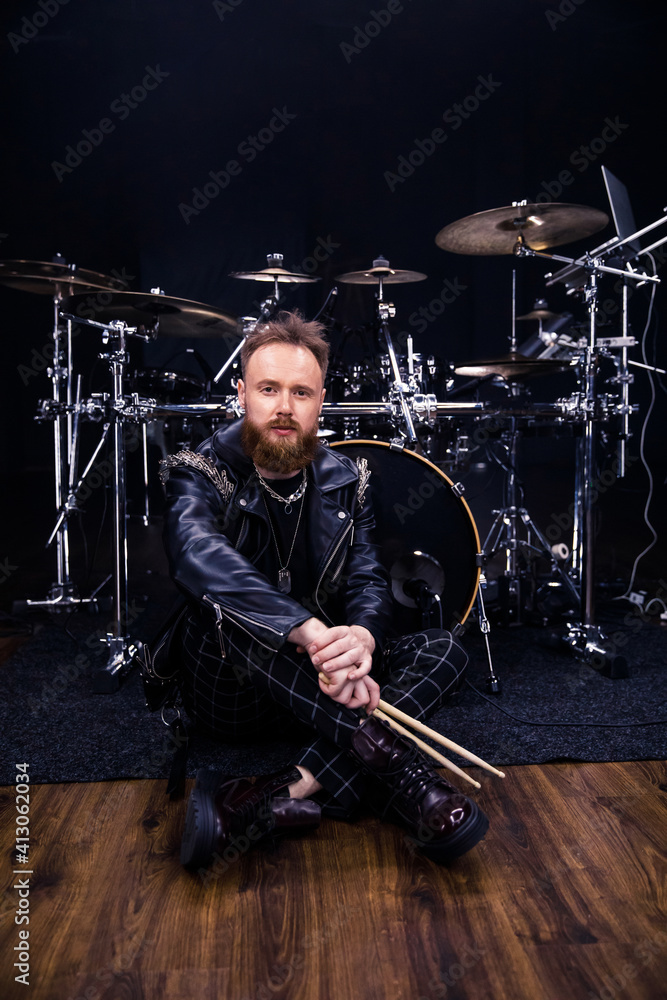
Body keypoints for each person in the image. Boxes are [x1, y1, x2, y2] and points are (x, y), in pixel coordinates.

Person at [160, 310, 489, 872]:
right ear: (242, 394)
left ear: (320, 401)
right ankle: (404, 779)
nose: (284, 407)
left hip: (322, 685)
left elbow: (366, 579)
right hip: (233, 687)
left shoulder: (346, 478)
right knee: (227, 612)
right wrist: (308, 631)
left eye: (300, 392)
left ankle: (277, 793)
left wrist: (359, 637)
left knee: (447, 646)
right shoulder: (199, 469)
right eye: (268, 389)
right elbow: (195, 553)